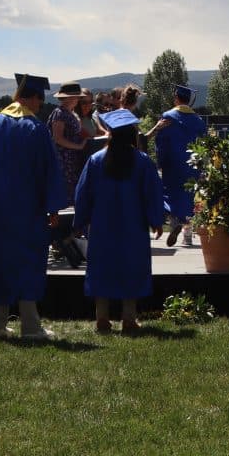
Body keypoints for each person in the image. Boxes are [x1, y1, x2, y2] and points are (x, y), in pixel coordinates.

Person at [0, 73, 69, 342]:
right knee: (28, 262)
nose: (40, 105)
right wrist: (54, 207)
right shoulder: (35, 129)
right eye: (40, 99)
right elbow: (49, 170)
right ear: (31, 97)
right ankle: (31, 326)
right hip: (28, 209)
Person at [73, 109, 164, 334]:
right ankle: (129, 318)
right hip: (132, 225)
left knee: (102, 267)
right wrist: (155, 220)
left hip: (102, 224)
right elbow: (152, 193)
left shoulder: (96, 160)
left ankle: (102, 317)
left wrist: (80, 220)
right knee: (131, 266)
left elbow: (83, 193)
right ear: (132, 136)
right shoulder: (142, 161)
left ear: (111, 134)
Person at [148, 85, 205, 248]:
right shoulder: (199, 121)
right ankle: (187, 233)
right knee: (189, 197)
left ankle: (175, 223)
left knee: (170, 195)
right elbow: (204, 143)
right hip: (192, 164)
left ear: (176, 98)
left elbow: (161, 141)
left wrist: (161, 161)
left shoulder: (168, 116)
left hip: (172, 163)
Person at [48, 83, 91, 203]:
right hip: (63, 161)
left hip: (73, 160)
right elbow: (57, 138)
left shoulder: (72, 113)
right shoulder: (59, 113)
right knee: (66, 192)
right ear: (68, 98)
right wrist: (79, 146)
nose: (78, 99)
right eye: (77, 97)